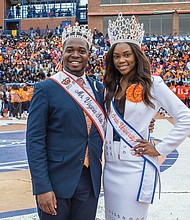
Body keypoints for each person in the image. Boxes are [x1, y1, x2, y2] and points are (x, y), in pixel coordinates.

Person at [103, 13, 190, 219]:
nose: (121, 60)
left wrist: (160, 148)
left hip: (135, 167)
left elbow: (185, 118)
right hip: (110, 168)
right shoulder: (110, 87)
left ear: (136, 55)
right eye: (116, 56)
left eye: (127, 55)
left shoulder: (153, 83)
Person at [26, 23, 106, 220]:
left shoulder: (99, 89)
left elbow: (117, 119)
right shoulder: (46, 88)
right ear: (61, 53)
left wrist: (146, 124)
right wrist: (41, 187)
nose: (75, 55)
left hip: (90, 180)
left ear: (89, 55)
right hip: (56, 181)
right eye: (69, 50)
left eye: (82, 51)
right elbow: (34, 140)